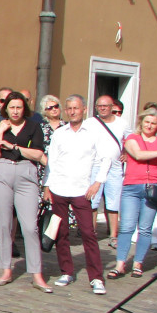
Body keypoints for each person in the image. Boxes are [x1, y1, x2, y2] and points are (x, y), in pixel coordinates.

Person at [0, 91, 50, 291]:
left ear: (25, 108)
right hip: (2, 172)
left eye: (19, 107)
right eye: (11, 107)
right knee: (3, 224)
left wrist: (14, 146)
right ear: (6, 108)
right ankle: (6, 269)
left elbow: (38, 153)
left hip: (26, 173)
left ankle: (37, 274)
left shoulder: (33, 126)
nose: (15, 111)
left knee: (30, 226)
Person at [43, 95, 108, 294]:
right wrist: (47, 186)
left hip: (81, 190)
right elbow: (51, 162)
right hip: (59, 188)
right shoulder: (60, 133)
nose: (72, 112)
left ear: (84, 110)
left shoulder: (93, 133)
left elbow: (106, 158)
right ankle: (66, 271)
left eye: (76, 108)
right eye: (69, 108)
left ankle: (96, 277)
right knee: (61, 232)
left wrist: (98, 182)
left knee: (88, 232)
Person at [108, 109, 157, 279]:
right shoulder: (133, 139)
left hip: (153, 187)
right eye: (147, 122)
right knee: (126, 227)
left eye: (153, 123)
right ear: (141, 122)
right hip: (132, 186)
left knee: (145, 228)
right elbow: (138, 155)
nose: (149, 126)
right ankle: (120, 264)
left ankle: (138, 263)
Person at [83, 95, 128, 245]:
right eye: (99, 106)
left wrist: (126, 153)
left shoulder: (122, 123)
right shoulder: (90, 123)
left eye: (105, 106)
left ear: (112, 107)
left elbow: (130, 140)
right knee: (92, 201)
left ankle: (113, 235)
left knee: (113, 202)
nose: (102, 108)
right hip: (94, 165)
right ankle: (91, 233)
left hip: (115, 167)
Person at [37, 93, 66, 196]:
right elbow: (36, 148)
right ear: (44, 111)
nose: (54, 109)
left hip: (64, 170)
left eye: (56, 106)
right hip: (44, 169)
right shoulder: (39, 128)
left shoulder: (67, 127)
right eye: (50, 108)